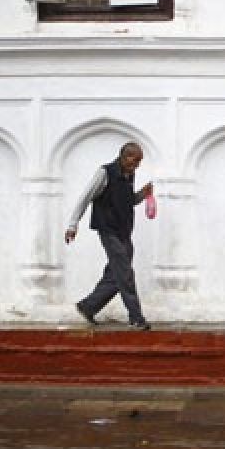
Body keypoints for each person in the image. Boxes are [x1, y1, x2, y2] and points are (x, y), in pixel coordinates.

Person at [64, 141, 154, 330]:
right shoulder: (105, 173)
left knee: (116, 276)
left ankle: (88, 306)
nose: (137, 165)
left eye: (139, 162)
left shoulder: (130, 174)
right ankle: (136, 318)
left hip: (124, 232)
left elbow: (127, 201)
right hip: (108, 230)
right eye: (135, 160)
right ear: (125, 156)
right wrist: (73, 225)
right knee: (125, 274)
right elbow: (85, 197)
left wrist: (142, 195)